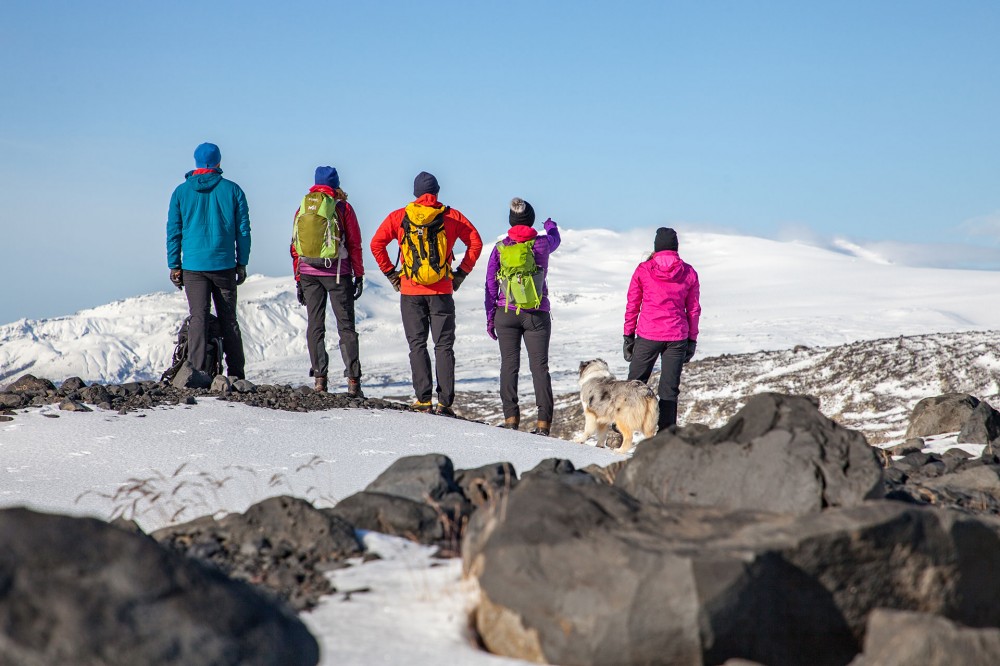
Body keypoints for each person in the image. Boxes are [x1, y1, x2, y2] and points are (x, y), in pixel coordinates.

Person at [370, 171, 483, 414]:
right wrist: (461, 273)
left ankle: (423, 400)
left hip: (410, 291)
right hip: (442, 290)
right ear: (437, 192)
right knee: (443, 346)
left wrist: (392, 274)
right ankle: (444, 403)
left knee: (417, 345)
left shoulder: (399, 216)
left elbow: (376, 244)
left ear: (415, 193)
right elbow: (476, 242)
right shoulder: (451, 216)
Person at [166, 142, 251, 379]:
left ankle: (196, 372)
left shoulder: (180, 192)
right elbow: (243, 230)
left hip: (193, 266)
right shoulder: (233, 190)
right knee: (229, 320)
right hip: (224, 265)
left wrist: (174, 265)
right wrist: (241, 262)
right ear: (219, 162)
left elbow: (174, 230)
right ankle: (236, 374)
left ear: (195, 162)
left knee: (198, 318)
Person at [484, 198, 560, 436]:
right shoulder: (543, 244)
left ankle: (510, 418)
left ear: (510, 220)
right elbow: (556, 238)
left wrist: (490, 317)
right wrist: (550, 225)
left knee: (509, 365)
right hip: (536, 313)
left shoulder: (500, 248)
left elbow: (489, 284)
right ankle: (543, 424)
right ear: (531, 220)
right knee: (539, 367)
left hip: (506, 313)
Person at [290, 166, 365, 396]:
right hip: (337, 273)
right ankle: (353, 382)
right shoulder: (343, 207)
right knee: (346, 327)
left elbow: (295, 246)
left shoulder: (304, 206)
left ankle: (320, 380)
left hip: (309, 273)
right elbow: (354, 244)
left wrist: (298, 278)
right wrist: (358, 274)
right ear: (336, 183)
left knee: (315, 325)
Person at [623, 227, 701, 431]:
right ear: (676, 247)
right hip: (677, 337)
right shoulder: (688, 272)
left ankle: (621, 431)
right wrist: (692, 340)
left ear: (656, 247)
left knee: (634, 384)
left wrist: (628, 335)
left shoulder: (643, 269)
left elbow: (633, 304)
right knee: (669, 390)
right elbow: (693, 309)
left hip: (648, 335)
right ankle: (666, 437)